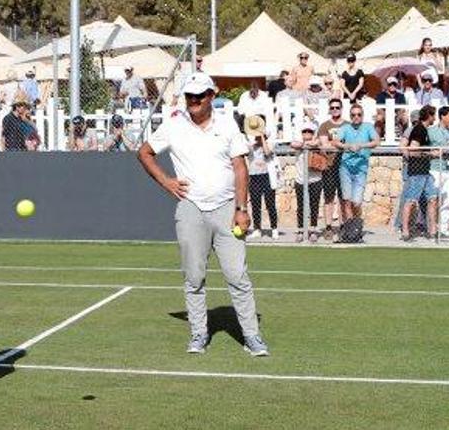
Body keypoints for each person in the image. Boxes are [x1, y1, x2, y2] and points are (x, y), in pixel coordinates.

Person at [137, 72, 269, 357]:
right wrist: (166, 181)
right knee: (194, 277)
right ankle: (199, 333)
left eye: (200, 95)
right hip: (191, 209)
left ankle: (252, 336)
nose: (194, 101)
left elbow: (240, 168)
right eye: (190, 96)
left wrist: (242, 209)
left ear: (212, 95)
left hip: (226, 208)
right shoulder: (173, 125)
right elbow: (145, 152)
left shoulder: (227, 124)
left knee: (237, 275)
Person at [332, 104, 380, 222]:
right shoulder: (345, 128)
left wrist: (361, 146)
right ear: (350, 116)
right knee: (347, 200)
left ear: (362, 115)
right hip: (346, 167)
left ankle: (357, 224)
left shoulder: (368, 127)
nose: (356, 117)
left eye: (359, 114)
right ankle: (350, 229)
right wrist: (347, 146)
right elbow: (336, 141)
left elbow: (376, 141)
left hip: (361, 168)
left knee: (357, 202)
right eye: (353, 115)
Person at [399, 105, 439, 241]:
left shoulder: (425, 130)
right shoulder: (419, 130)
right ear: (429, 115)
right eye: (434, 115)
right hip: (416, 172)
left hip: (425, 172)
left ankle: (433, 230)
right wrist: (430, 153)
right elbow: (413, 151)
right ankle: (405, 231)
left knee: (433, 198)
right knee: (410, 201)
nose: (435, 118)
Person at [244, 115, 279, 240]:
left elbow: (267, 152)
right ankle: (257, 228)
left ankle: (274, 228)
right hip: (254, 177)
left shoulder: (270, 142)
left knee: (270, 204)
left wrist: (263, 137)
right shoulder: (251, 145)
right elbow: (244, 150)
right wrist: (253, 141)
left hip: (267, 176)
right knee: (255, 204)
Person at [317, 98, 346, 240]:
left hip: (345, 166)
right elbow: (324, 145)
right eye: (332, 108)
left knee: (343, 198)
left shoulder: (348, 125)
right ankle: (328, 227)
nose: (335, 110)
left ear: (341, 108)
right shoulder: (324, 126)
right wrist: (338, 143)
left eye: (337, 107)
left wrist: (331, 143)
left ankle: (342, 226)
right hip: (329, 167)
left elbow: (351, 143)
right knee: (328, 197)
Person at [290, 122, 323, 242]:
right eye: (305, 131)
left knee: (314, 206)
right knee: (301, 206)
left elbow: (319, 142)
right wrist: (305, 144)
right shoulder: (299, 143)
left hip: (315, 179)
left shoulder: (317, 143)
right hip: (301, 180)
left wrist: (311, 143)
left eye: (310, 131)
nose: (307, 133)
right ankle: (300, 230)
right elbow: (293, 144)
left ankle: (313, 230)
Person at [428, 106, 449, 240]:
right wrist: (435, 152)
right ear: (442, 116)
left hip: (448, 169)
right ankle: (431, 228)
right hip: (435, 169)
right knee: (433, 199)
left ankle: (444, 229)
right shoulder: (431, 131)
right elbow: (426, 149)